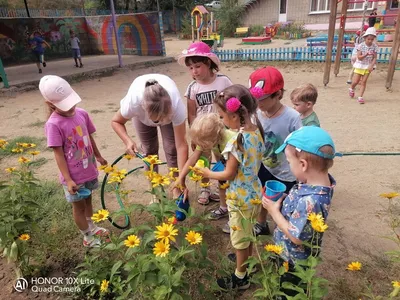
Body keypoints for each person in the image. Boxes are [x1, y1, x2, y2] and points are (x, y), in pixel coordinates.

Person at [195, 84, 265, 290]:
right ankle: (248, 262)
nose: (222, 121)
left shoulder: (237, 140)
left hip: (240, 197)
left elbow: (228, 174)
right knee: (247, 233)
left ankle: (240, 277)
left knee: (239, 240)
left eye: (222, 116)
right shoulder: (256, 130)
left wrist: (207, 173)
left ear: (234, 116)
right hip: (253, 191)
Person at [262, 126, 339, 297]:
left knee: (288, 292)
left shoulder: (311, 200)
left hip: (293, 261)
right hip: (285, 253)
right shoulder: (314, 183)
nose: (289, 166)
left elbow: (296, 237)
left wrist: (274, 212)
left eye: (289, 162)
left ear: (303, 165)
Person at [40, 75, 108, 248]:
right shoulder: (54, 124)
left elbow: (89, 138)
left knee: (89, 201)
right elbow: (59, 154)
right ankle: (87, 237)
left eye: (71, 102)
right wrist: (69, 179)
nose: (71, 108)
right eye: (65, 105)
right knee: (78, 207)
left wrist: (98, 156)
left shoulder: (82, 114)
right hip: (74, 177)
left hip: (89, 169)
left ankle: (92, 226)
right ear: (51, 105)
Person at [111, 74, 188, 199]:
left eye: (165, 117)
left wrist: (182, 180)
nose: (162, 121)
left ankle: (176, 188)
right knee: (149, 150)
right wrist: (128, 141)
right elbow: (116, 121)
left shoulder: (176, 105)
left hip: (167, 108)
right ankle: (154, 191)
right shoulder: (134, 103)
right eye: (158, 120)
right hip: (143, 115)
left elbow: (181, 145)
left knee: (172, 148)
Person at [249, 66, 302, 236]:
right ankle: (262, 224)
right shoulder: (256, 114)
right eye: (254, 98)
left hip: (286, 170)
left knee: (284, 204)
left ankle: (282, 235)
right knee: (263, 196)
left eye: (262, 99)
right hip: (263, 165)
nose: (258, 103)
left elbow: (300, 145)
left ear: (278, 94)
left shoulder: (292, 117)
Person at [178, 41, 233, 205]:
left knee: (223, 159)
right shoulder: (192, 88)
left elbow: (231, 104)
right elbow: (191, 112)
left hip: (221, 130)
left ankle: (221, 186)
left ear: (208, 63)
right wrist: (194, 136)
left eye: (198, 66)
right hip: (203, 131)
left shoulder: (223, 82)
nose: (194, 71)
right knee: (203, 159)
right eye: (191, 68)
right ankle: (205, 188)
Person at [171, 113, 236, 228]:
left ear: (213, 138)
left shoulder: (232, 141)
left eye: (202, 144)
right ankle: (223, 208)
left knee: (233, 192)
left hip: (239, 169)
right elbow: (193, 158)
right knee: (222, 186)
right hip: (224, 164)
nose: (200, 146)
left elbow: (232, 172)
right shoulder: (210, 137)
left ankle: (235, 219)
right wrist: (180, 178)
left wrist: (209, 174)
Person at [349, 27, 378, 104]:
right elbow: (359, 57)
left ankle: (360, 97)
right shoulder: (361, 46)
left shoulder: (375, 46)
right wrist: (366, 54)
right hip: (360, 65)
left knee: (364, 82)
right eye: (368, 39)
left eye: (372, 39)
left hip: (368, 65)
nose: (370, 41)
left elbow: (375, 57)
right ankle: (351, 88)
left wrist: (371, 65)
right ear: (365, 38)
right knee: (355, 81)